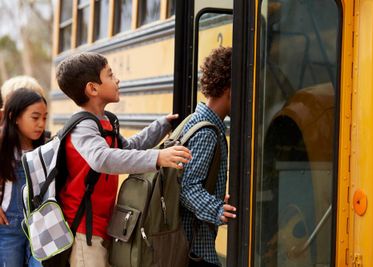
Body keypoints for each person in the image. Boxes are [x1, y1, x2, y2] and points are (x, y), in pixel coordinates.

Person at [55, 52, 192, 267]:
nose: (117, 79)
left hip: (106, 225)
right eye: (110, 75)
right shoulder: (83, 127)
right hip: (84, 231)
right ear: (93, 88)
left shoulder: (106, 121)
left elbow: (126, 148)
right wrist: (157, 157)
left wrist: (161, 126)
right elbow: (103, 159)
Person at [180, 46, 237, 267]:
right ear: (231, 91)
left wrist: (214, 197)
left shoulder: (195, 121)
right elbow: (188, 186)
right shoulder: (207, 131)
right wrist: (217, 210)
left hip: (194, 244)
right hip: (196, 248)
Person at [0, 88, 47, 266]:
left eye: (44, 118)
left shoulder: (44, 149)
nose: (41, 124)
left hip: (39, 227)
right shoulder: (3, 145)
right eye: (35, 118)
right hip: (8, 229)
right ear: (14, 117)